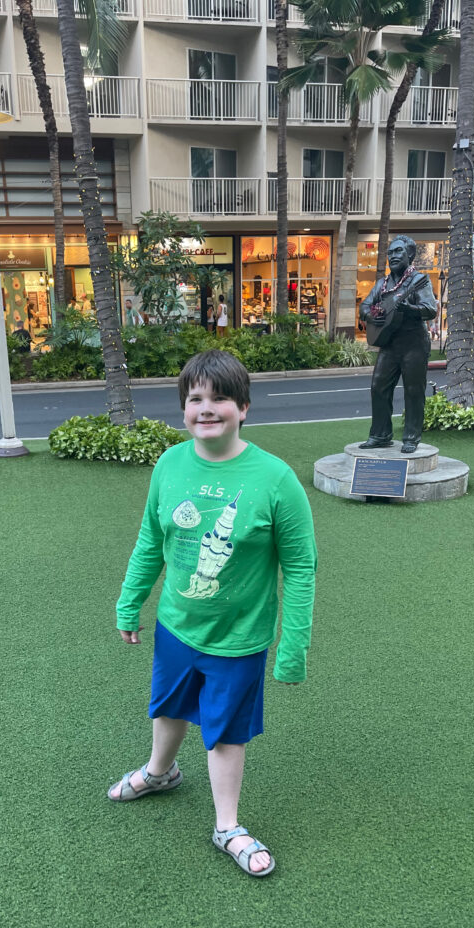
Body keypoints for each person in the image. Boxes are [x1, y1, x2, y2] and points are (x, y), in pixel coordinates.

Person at [108, 349, 317, 877]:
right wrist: (130, 601)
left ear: (243, 407)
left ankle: (227, 825)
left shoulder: (275, 479)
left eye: (220, 397)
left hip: (238, 639)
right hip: (177, 626)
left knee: (226, 732)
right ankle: (160, 772)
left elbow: (301, 568)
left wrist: (291, 648)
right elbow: (151, 541)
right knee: (169, 707)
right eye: (195, 398)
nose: (207, 408)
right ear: (183, 408)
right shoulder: (169, 464)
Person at [359, 234, 437, 454]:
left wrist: (409, 310)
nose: (392, 256)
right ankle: (380, 435)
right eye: (390, 253)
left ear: (410, 255)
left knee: (413, 391)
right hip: (389, 342)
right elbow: (364, 307)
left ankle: (411, 437)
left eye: (398, 252)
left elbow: (430, 309)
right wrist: (372, 317)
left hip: (414, 343)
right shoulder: (382, 283)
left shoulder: (418, 280)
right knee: (378, 387)